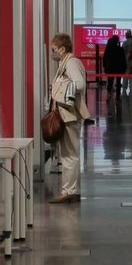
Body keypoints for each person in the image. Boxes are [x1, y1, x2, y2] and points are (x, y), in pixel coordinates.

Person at [48, 33, 90, 204]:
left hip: (69, 114)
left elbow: (79, 83)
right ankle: (72, 189)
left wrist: (60, 88)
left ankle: (69, 190)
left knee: (69, 154)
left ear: (62, 49)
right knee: (68, 153)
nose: (52, 53)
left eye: (53, 49)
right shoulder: (65, 63)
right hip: (67, 114)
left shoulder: (71, 62)